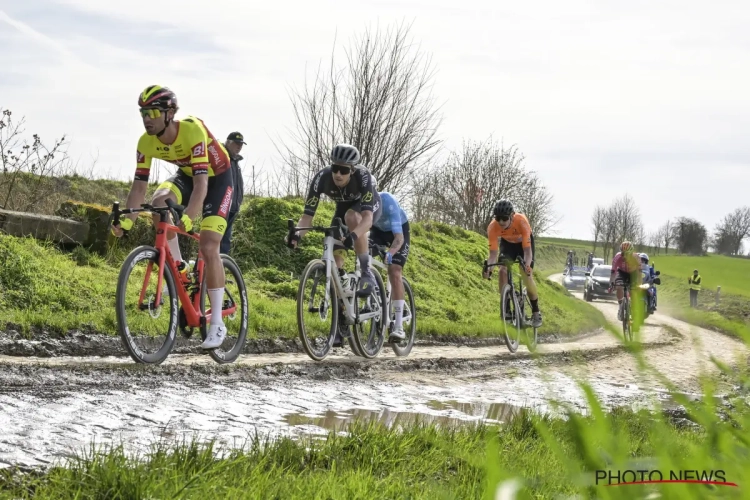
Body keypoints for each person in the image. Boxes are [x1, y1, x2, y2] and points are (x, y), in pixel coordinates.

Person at [111, 85, 233, 349]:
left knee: (209, 244)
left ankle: (216, 324)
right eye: (143, 112)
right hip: (188, 176)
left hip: (218, 179)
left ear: (170, 114)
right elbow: (139, 187)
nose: (147, 118)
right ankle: (179, 268)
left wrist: (190, 215)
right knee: (158, 204)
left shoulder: (191, 131)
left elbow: (202, 186)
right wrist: (127, 221)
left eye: (153, 112)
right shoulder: (145, 142)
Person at [285, 143, 382, 346]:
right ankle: (341, 321)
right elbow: (306, 218)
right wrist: (296, 236)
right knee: (336, 264)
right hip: (343, 209)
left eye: (344, 170)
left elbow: (367, 220)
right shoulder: (321, 178)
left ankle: (366, 272)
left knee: (352, 217)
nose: (338, 173)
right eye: (335, 168)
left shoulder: (362, 177)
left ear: (352, 170)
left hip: (367, 209)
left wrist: (354, 236)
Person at [483, 199, 543, 328]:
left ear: (511, 216)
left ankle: (536, 311)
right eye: (498, 218)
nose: (501, 222)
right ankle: (507, 308)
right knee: (502, 270)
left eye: (504, 218)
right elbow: (493, 255)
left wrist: (527, 267)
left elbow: (527, 252)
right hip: (508, 245)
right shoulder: (492, 227)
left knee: (526, 274)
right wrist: (488, 269)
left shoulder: (521, 221)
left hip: (524, 246)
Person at [369, 191, 410, 342]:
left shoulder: (388, 201)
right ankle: (371, 298)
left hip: (398, 232)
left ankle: (399, 326)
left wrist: (391, 253)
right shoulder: (361, 201)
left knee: (394, 270)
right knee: (364, 257)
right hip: (378, 232)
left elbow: (399, 238)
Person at [220, 131, 246, 255]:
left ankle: (219, 271)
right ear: (228, 143)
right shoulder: (221, 157)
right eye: (236, 143)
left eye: (241, 144)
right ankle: (203, 271)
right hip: (220, 207)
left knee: (225, 242)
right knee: (213, 240)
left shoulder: (235, 162)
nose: (239, 146)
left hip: (233, 208)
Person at [609, 241, 641, 320]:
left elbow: (639, 272)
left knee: (633, 291)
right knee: (619, 287)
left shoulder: (636, 258)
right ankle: (620, 306)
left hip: (633, 273)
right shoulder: (617, 257)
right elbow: (613, 271)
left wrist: (639, 284)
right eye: (623, 253)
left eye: (627, 254)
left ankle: (634, 310)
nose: (625, 256)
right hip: (622, 272)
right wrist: (612, 282)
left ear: (631, 253)